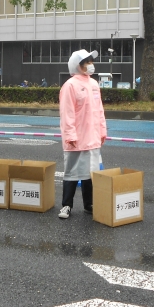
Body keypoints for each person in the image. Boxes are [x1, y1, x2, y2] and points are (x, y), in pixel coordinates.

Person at [58, 49, 107, 219]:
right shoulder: (70, 85)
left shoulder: (94, 84)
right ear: (77, 66)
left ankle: (89, 204)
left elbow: (99, 110)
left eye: (91, 62)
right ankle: (66, 205)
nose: (90, 65)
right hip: (77, 138)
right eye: (87, 62)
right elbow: (67, 113)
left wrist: (102, 130)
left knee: (90, 172)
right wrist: (70, 135)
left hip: (92, 137)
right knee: (71, 172)